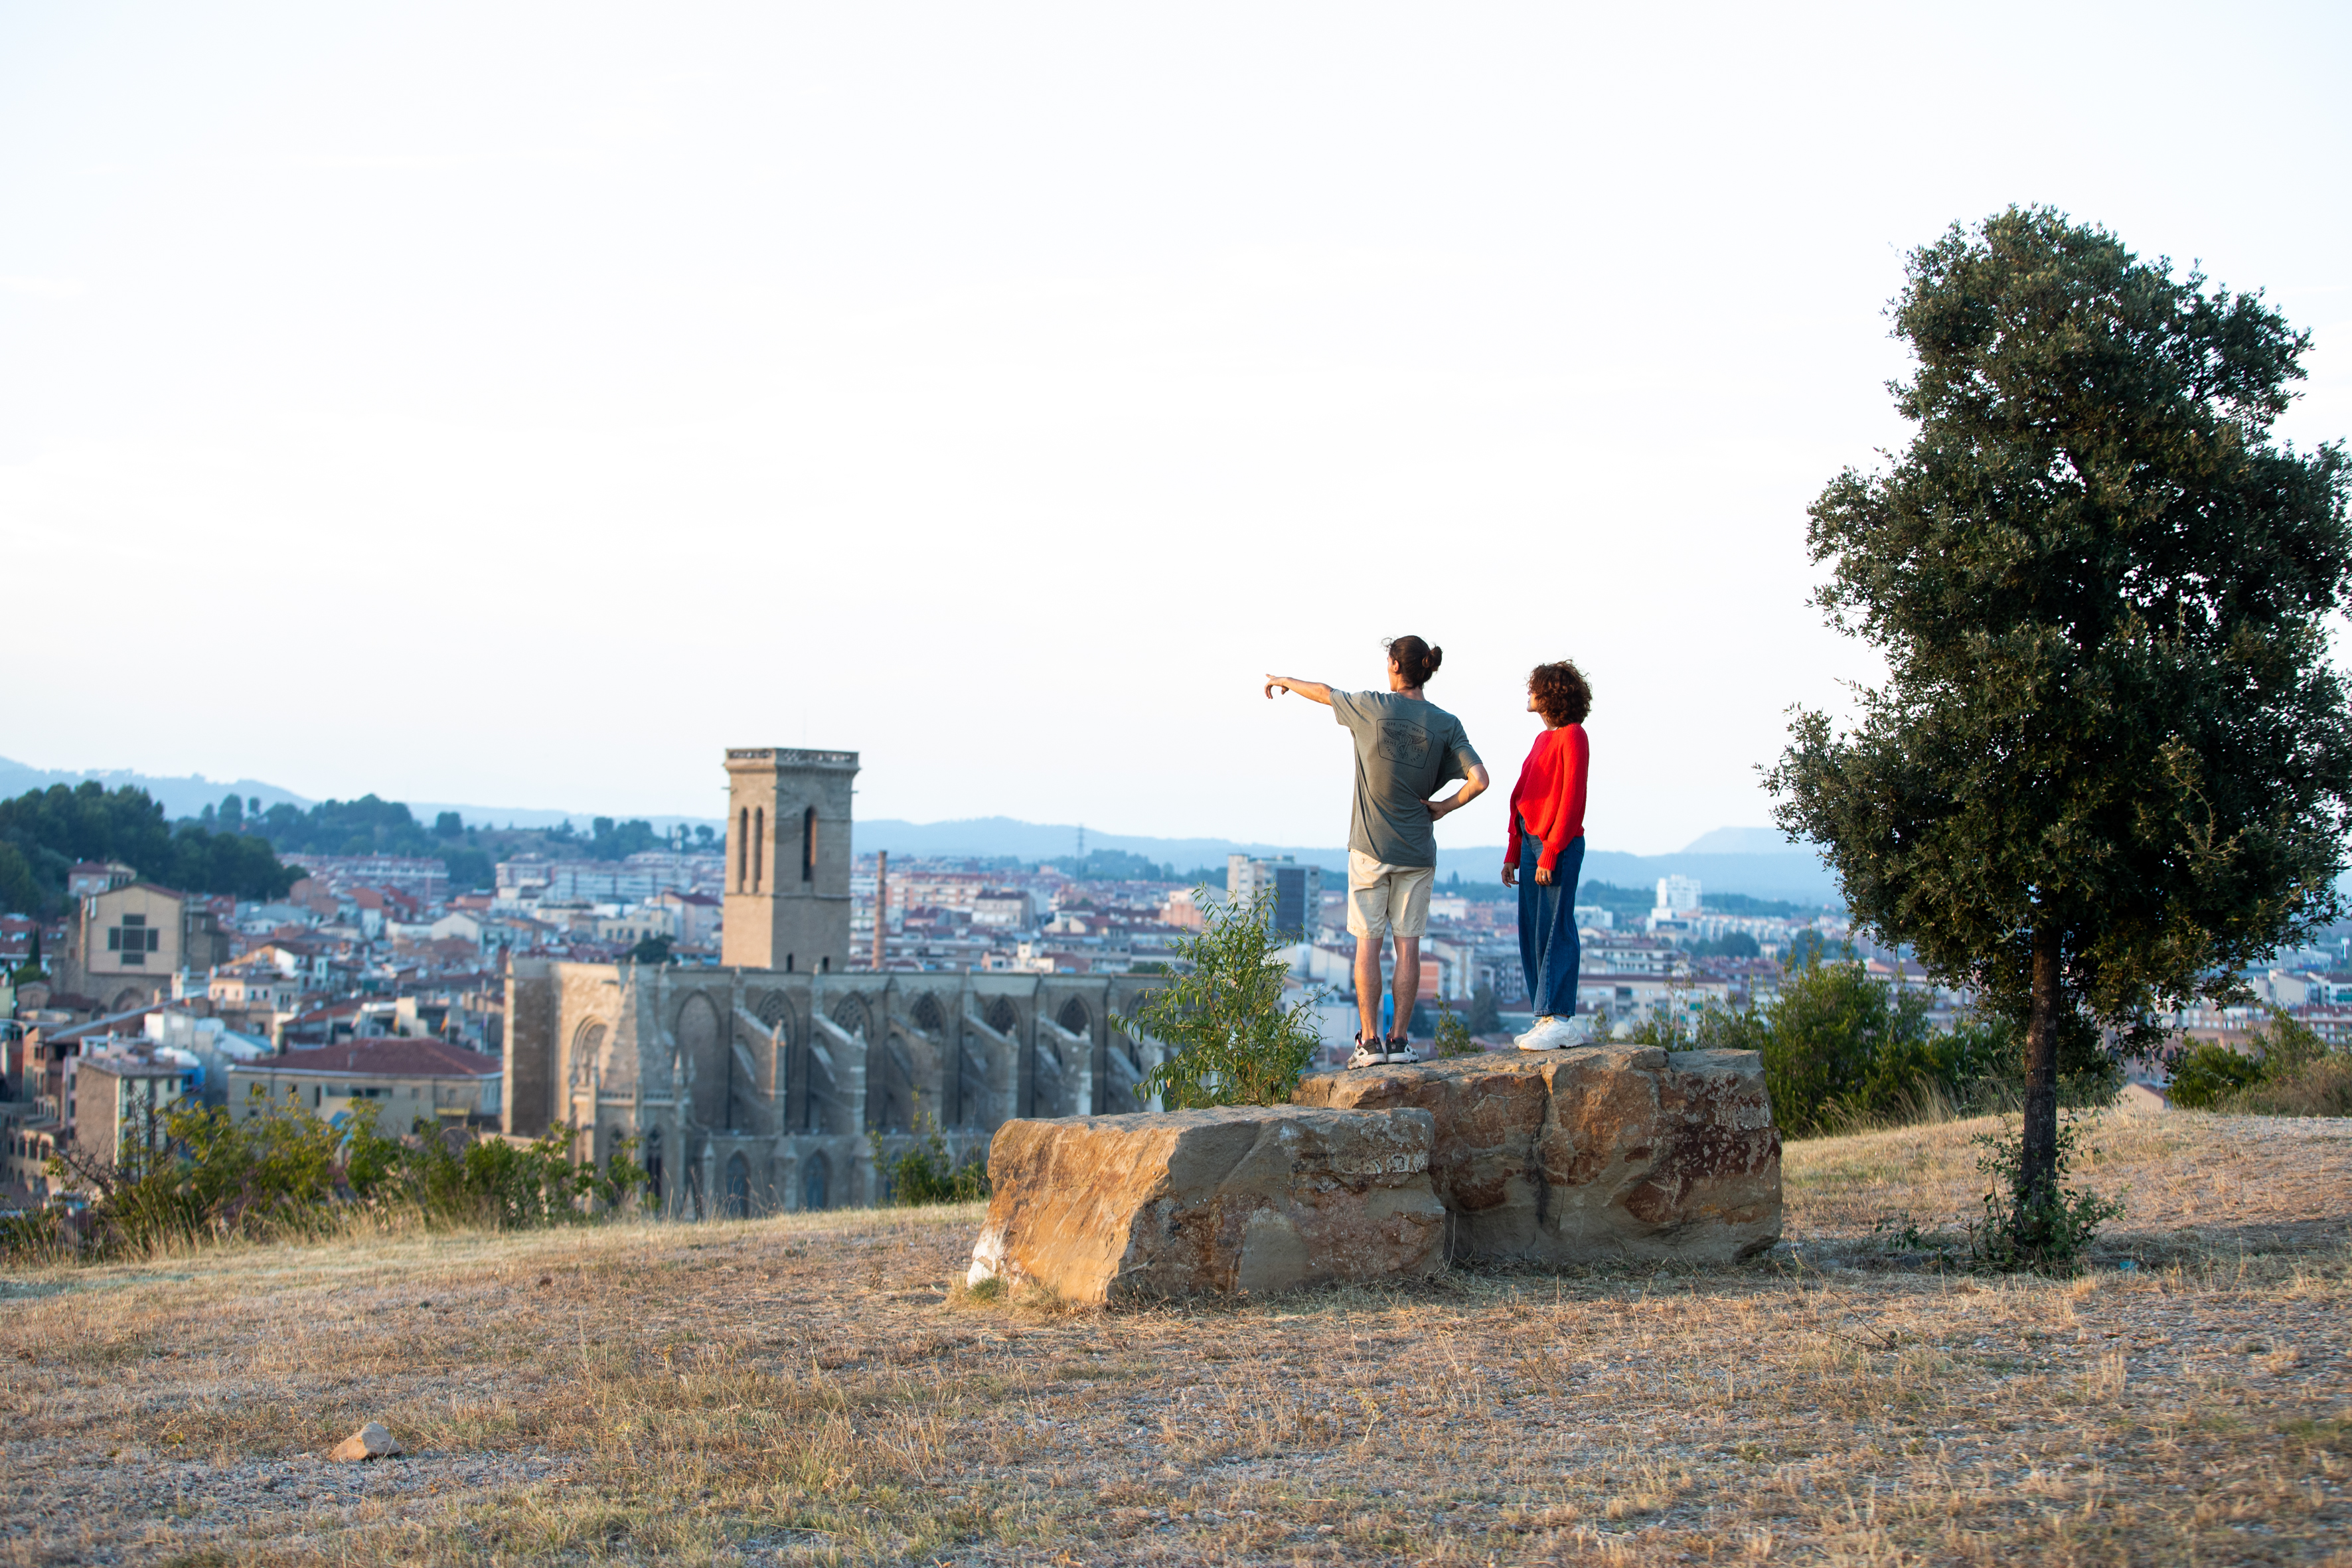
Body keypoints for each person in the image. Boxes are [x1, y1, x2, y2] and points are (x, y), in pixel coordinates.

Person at [1265, 636, 1488, 1066]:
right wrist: (1443, 806)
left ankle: (1368, 1044)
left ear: (1392, 665)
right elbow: (1479, 779)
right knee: (1409, 947)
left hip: (1370, 847)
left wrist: (1284, 681)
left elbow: (1325, 694)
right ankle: (1400, 1043)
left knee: (1367, 946)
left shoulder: (1372, 706)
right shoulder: (1446, 723)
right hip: (1417, 852)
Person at [1502, 660, 1591, 1050]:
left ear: (1550, 693)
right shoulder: (1543, 740)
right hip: (1533, 842)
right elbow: (1522, 797)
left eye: (1534, 687)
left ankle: (1561, 1019)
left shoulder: (1574, 736)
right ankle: (1544, 1017)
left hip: (1558, 843)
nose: (1529, 694)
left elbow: (1573, 800)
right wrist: (1513, 850)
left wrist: (1551, 852)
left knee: (1556, 928)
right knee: (1533, 931)